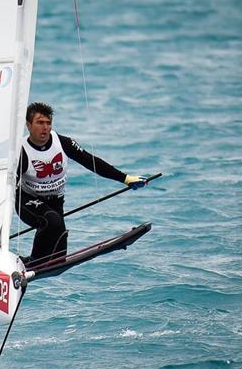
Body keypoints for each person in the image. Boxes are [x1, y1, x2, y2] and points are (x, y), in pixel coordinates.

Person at [15, 102, 146, 264]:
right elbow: (5, 187)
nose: (45, 128)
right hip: (27, 201)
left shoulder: (63, 143)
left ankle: (32, 262)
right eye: (40, 123)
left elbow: (92, 162)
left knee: (58, 257)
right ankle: (31, 262)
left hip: (55, 201)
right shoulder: (21, 152)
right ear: (28, 125)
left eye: (48, 123)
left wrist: (125, 178)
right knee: (52, 221)